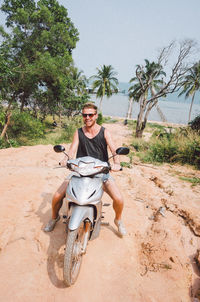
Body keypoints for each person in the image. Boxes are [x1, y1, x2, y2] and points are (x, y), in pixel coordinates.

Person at [44, 103, 127, 236]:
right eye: (84, 115)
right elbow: (72, 150)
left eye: (90, 115)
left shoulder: (105, 132)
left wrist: (116, 163)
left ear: (96, 116)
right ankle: (54, 218)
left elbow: (114, 150)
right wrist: (66, 159)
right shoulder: (79, 132)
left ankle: (118, 220)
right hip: (80, 172)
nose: (87, 117)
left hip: (101, 173)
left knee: (118, 199)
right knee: (57, 196)